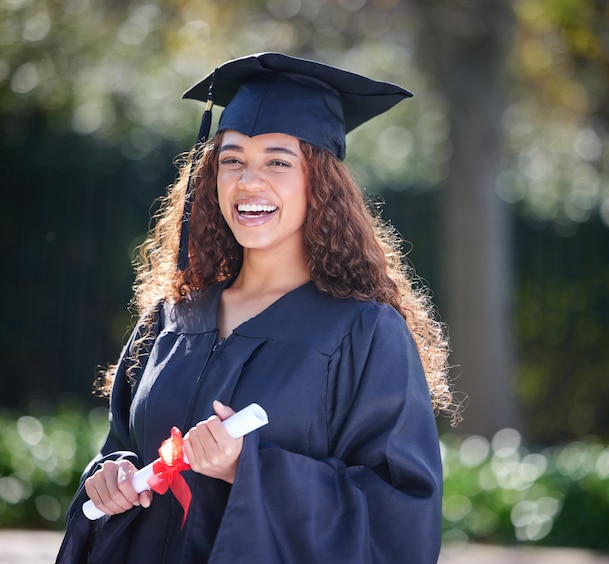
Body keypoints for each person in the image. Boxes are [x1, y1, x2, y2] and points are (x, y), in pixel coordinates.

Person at [56, 52, 459, 564]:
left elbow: (401, 518)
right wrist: (109, 475)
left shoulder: (363, 332)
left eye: (277, 160)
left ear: (321, 183)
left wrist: (249, 469)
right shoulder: (172, 319)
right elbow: (122, 443)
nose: (249, 181)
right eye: (232, 160)